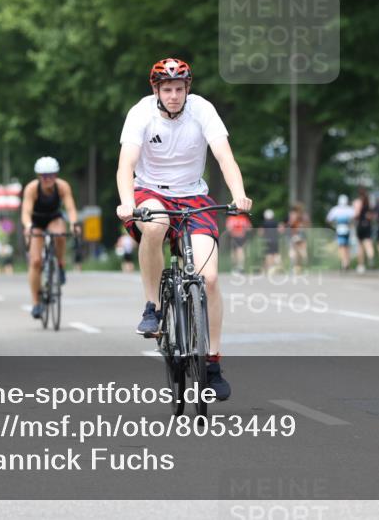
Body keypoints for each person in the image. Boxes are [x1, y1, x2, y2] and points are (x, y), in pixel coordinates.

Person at [116, 57, 252, 401]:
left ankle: (213, 363)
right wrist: (127, 202)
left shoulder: (202, 110)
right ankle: (152, 308)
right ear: (156, 90)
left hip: (193, 196)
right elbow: (126, 164)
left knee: (210, 278)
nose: (174, 95)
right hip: (150, 192)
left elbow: (224, 156)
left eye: (179, 89)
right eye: (167, 89)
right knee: (155, 224)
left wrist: (239, 195)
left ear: (187, 89)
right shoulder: (141, 113)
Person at [21, 156, 81, 319]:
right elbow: (26, 211)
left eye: (51, 175)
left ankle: (60, 264)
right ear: (38, 176)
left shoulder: (62, 186)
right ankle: (36, 303)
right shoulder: (32, 189)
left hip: (54, 218)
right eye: (44, 176)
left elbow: (70, 208)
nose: (47, 179)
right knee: (35, 261)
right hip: (36, 221)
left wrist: (74, 223)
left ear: (56, 175)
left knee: (60, 234)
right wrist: (28, 226)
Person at [326, 194, 355, 272]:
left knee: (342, 246)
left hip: (339, 229)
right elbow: (354, 219)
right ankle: (347, 262)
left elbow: (328, 219)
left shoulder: (335, 209)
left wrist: (333, 226)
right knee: (347, 246)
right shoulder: (350, 209)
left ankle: (344, 263)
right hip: (348, 230)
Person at [353, 188, 375, 273]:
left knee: (360, 246)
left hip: (360, 225)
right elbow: (371, 216)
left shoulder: (357, 202)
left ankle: (361, 265)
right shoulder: (369, 203)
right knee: (369, 244)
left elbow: (356, 214)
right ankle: (370, 258)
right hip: (368, 225)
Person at [287, 202, 310, 272]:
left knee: (294, 251)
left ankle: (295, 267)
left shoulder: (293, 214)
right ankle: (303, 267)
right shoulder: (305, 215)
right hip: (303, 234)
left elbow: (290, 224)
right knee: (303, 252)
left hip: (295, 234)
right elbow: (308, 225)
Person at [260, 209, 281, 273]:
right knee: (276, 253)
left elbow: (261, 232)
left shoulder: (264, 223)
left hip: (268, 240)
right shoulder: (275, 222)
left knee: (268, 254)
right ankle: (277, 267)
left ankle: (270, 268)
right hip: (275, 240)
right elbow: (280, 230)